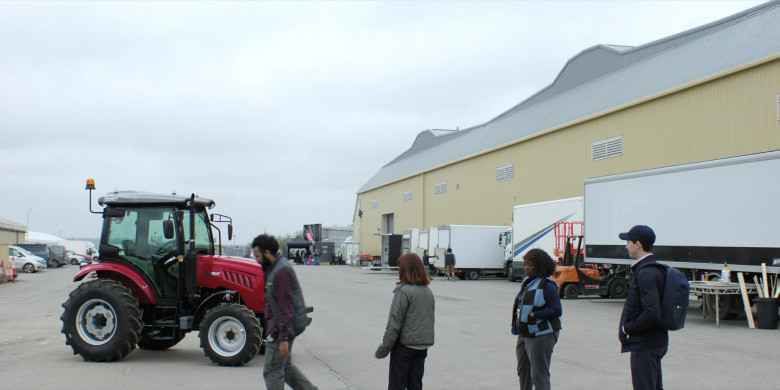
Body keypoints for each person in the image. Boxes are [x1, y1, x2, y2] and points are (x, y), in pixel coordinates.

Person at [252, 234, 317, 390]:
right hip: (282, 326)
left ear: (267, 253)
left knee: (272, 370)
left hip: (282, 328)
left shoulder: (281, 272)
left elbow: (285, 307)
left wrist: (283, 338)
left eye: (258, 256)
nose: (257, 260)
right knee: (285, 369)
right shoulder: (272, 267)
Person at [375, 253, 435, 390]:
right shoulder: (427, 291)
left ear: (404, 270)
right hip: (422, 347)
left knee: (397, 386)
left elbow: (394, 325)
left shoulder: (403, 292)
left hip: (404, 348)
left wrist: (382, 350)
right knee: (415, 384)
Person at [617, 225, 667, 390]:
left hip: (645, 343)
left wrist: (626, 328)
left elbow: (651, 312)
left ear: (638, 244)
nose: (626, 246)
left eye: (628, 242)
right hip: (656, 340)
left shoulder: (645, 273)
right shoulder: (656, 269)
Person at [511, 248, 562, 390]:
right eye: (525, 264)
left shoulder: (547, 285)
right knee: (523, 372)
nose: (526, 268)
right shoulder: (528, 282)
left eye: (530, 265)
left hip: (541, 334)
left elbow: (557, 310)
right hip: (524, 333)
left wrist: (536, 315)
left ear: (540, 267)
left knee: (539, 375)